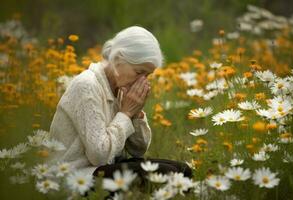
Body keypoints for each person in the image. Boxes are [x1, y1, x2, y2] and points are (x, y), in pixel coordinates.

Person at [47, 26, 192, 191]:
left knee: (182, 171)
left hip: (104, 168)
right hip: (74, 177)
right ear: (118, 59)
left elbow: (138, 150)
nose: (142, 81)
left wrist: (136, 113)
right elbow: (99, 155)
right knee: (167, 174)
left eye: (148, 76)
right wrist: (125, 113)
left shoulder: (122, 87)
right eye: (139, 72)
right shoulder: (87, 85)